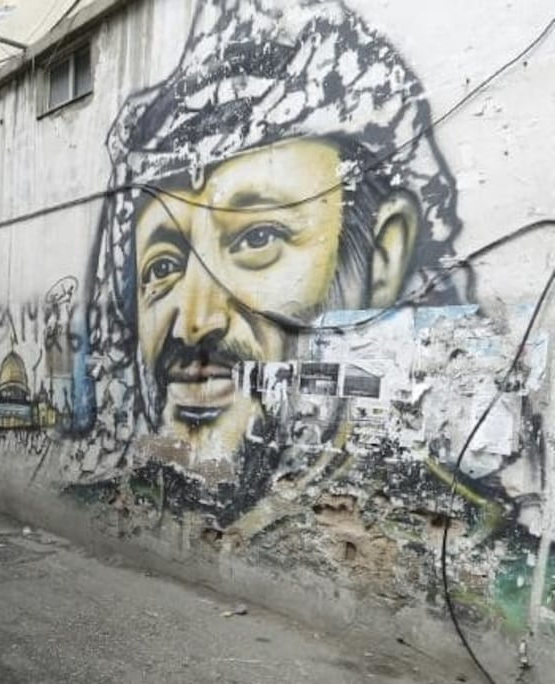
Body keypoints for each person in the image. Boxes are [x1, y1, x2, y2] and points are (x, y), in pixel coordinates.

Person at [71, 0, 470, 517]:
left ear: (384, 257)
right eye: (165, 266)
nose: (193, 322)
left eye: (256, 237)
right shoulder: (105, 506)